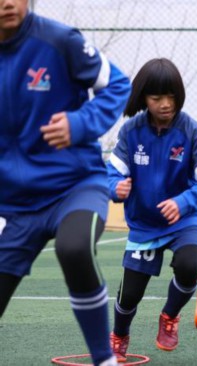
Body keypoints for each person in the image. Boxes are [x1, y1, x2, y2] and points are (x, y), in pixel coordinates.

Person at [0, 0, 131, 365]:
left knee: (73, 248)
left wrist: (80, 124)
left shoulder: (60, 40)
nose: (8, 2)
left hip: (75, 186)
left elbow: (118, 85)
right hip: (11, 205)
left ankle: (104, 360)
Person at [106, 58, 197, 362]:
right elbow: (111, 173)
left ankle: (169, 316)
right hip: (144, 223)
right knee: (130, 294)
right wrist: (115, 188)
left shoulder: (192, 131)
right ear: (143, 98)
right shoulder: (130, 132)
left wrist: (183, 203)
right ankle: (118, 335)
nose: (165, 104)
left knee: (189, 264)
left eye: (171, 96)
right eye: (157, 98)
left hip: (184, 219)